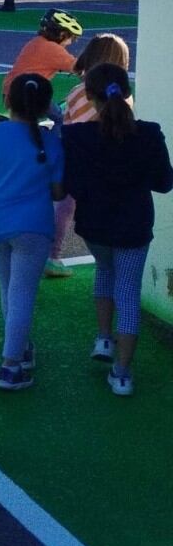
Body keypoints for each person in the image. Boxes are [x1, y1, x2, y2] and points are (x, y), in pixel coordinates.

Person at [62, 64, 172, 397]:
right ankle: (122, 373)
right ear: (126, 93)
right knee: (127, 290)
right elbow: (164, 183)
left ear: (91, 97)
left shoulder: (76, 137)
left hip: (94, 226)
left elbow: (71, 184)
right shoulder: (150, 133)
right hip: (135, 226)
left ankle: (104, 338)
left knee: (105, 272)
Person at [0, 74, 64, 391]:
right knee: (22, 294)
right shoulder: (51, 142)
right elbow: (58, 193)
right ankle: (10, 366)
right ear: (44, 106)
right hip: (34, 227)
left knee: (8, 289)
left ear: (7, 100)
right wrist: (58, 118)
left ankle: (20, 352)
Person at [47, 32, 131, 277]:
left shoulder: (77, 92)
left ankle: (53, 255)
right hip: (103, 167)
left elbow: (70, 126)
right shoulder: (120, 96)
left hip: (75, 162)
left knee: (64, 206)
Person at [1, 8, 81, 98]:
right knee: (54, 112)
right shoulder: (52, 49)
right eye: (71, 38)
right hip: (26, 93)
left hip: (12, 89)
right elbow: (78, 66)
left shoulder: (38, 41)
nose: (70, 42)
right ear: (61, 34)